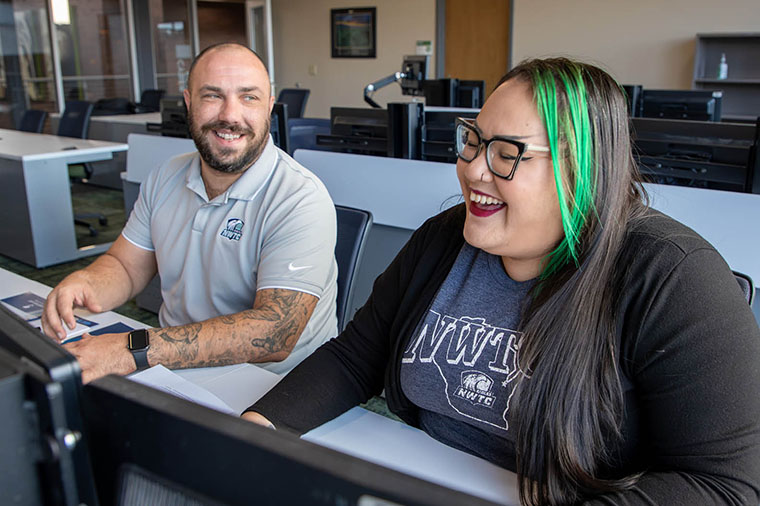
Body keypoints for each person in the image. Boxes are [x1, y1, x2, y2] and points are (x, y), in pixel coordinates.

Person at [243, 58, 760, 504]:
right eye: (473, 141)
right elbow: (355, 358)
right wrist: (254, 430)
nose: (472, 171)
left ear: (581, 170)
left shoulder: (672, 276)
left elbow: (723, 486)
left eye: (507, 153)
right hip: (422, 474)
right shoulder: (443, 239)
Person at [42, 43, 338, 382]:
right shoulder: (165, 175)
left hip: (272, 383)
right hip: (175, 365)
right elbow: (125, 266)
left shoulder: (300, 197)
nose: (230, 115)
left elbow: (275, 331)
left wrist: (132, 350)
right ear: (189, 102)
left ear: (269, 107)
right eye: (212, 95)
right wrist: (87, 283)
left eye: (249, 97)